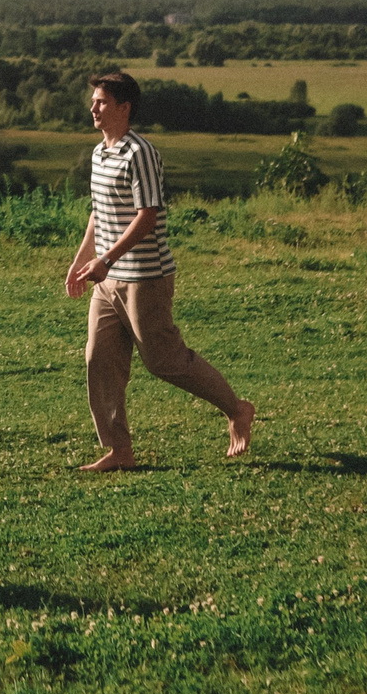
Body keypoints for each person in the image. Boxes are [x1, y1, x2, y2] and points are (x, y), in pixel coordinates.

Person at [64, 72, 255, 469]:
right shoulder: (100, 154)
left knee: (162, 360)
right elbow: (99, 213)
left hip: (145, 277)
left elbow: (147, 216)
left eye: (100, 102)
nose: (93, 108)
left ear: (124, 108)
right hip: (107, 279)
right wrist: (83, 259)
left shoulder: (141, 153)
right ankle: (119, 450)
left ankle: (236, 409)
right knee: (99, 359)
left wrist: (107, 259)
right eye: (94, 101)